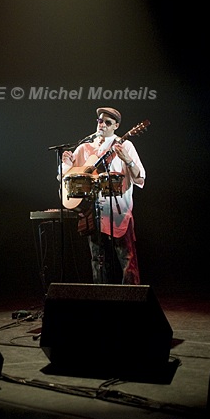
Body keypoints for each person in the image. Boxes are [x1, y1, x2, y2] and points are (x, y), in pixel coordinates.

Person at [61, 106, 145, 285]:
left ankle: (132, 298)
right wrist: (66, 164)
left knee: (127, 259)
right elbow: (67, 179)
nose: (102, 125)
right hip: (93, 212)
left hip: (118, 211)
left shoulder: (125, 145)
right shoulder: (84, 148)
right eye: (100, 121)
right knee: (97, 260)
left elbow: (140, 178)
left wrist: (128, 160)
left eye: (108, 122)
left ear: (116, 126)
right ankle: (100, 298)